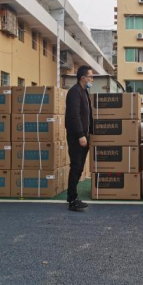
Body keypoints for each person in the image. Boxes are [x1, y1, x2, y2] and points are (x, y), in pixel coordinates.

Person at [65, 66, 94, 211]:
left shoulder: (84, 92)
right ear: (83, 78)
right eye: (90, 77)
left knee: (80, 167)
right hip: (77, 137)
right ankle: (72, 199)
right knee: (76, 166)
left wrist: (91, 133)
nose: (92, 80)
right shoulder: (74, 92)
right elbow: (74, 115)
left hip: (84, 136)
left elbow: (88, 115)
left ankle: (73, 197)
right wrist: (81, 135)